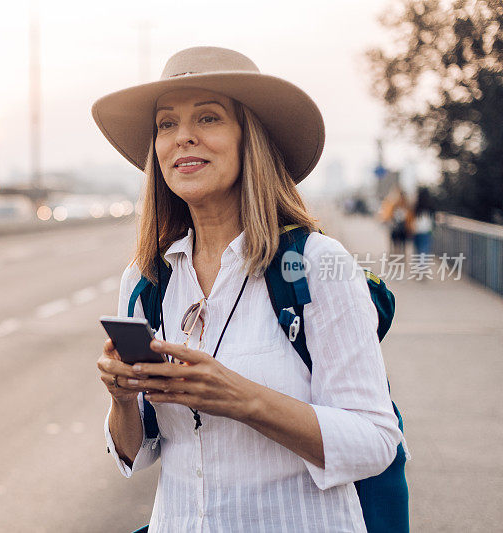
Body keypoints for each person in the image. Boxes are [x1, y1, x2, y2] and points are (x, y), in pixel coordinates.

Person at [92, 47, 406, 531]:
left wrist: (242, 398)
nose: (183, 137)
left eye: (209, 117)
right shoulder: (145, 279)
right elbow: (137, 453)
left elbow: (376, 440)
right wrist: (121, 399)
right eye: (166, 124)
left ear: (250, 139)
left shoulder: (319, 265)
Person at [379, 185, 413, 258]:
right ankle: (397, 257)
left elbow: (409, 217)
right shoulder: (394, 204)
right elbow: (387, 214)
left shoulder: (404, 204)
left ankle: (397, 257)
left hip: (401, 228)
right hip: (397, 227)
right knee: (397, 245)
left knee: (399, 245)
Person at [412, 185, 435, 258]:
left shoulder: (416, 205)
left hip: (417, 230)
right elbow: (433, 218)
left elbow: (412, 217)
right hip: (426, 230)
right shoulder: (430, 205)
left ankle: (419, 265)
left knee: (418, 249)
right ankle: (422, 265)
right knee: (424, 249)